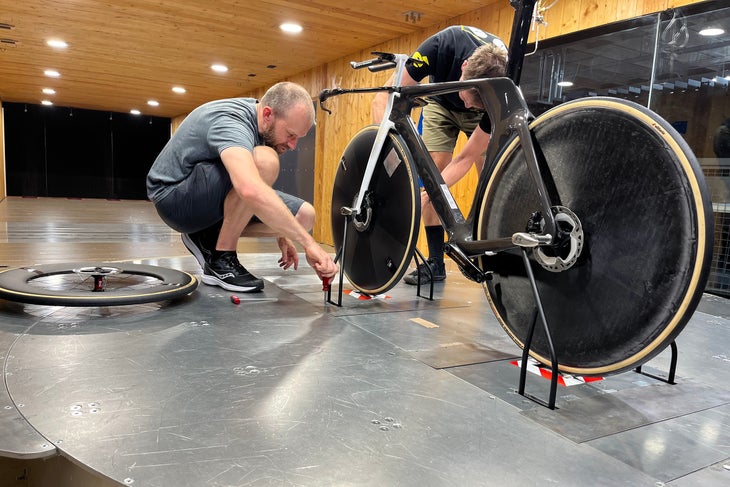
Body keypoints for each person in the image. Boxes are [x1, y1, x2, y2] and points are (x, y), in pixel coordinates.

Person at [147, 81, 338, 293]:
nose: (293, 146)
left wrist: (284, 235)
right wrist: (310, 244)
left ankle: (208, 235)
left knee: (304, 217)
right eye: (291, 135)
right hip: (175, 199)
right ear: (267, 114)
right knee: (265, 160)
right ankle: (222, 258)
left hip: (208, 194)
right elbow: (248, 188)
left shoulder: (263, 123)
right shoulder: (231, 122)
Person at [372, 25, 508, 285]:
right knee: (433, 169)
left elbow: (465, 158)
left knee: (490, 177)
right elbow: (383, 97)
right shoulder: (438, 47)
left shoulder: (499, 85)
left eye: (471, 102)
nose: (466, 105)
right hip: (440, 102)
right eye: (466, 97)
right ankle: (436, 263)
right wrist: (386, 154)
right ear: (463, 66)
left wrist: (432, 193)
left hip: (485, 112)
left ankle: (491, 252)